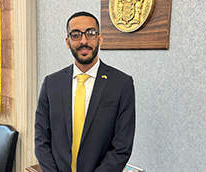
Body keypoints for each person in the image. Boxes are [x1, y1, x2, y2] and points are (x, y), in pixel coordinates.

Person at [35, 11, 135, 172]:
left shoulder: (122, 84)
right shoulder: (51, 83)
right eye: (76, 35)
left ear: (100, 39)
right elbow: (41, 139)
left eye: (91, 33)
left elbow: (122, 147)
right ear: (68, 42)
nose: (83, 41)